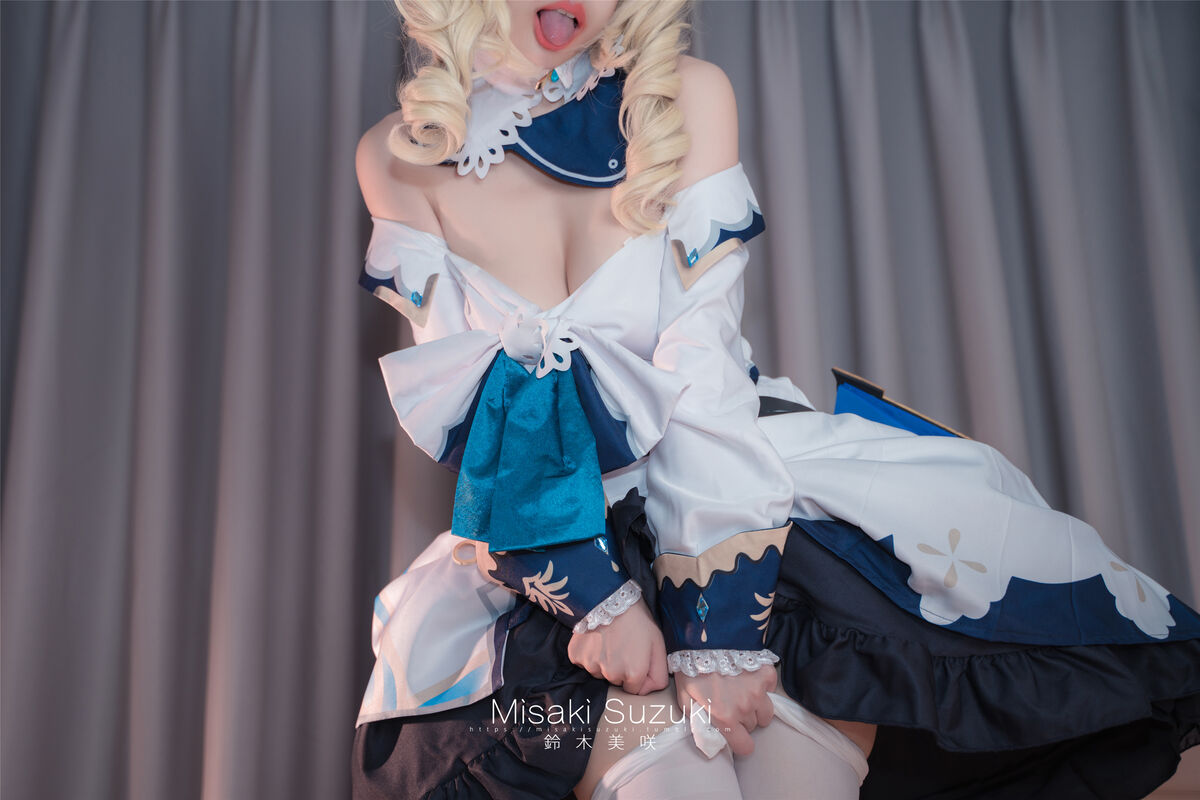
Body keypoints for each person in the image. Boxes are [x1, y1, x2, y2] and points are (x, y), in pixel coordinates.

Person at [349, 2, 1200, 798]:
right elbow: (493, 427)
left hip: (747, 521)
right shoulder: (395, 156)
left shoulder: (683, 97)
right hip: (547, 555)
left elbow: (704, 378)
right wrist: (599, 603)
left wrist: (717, 628)